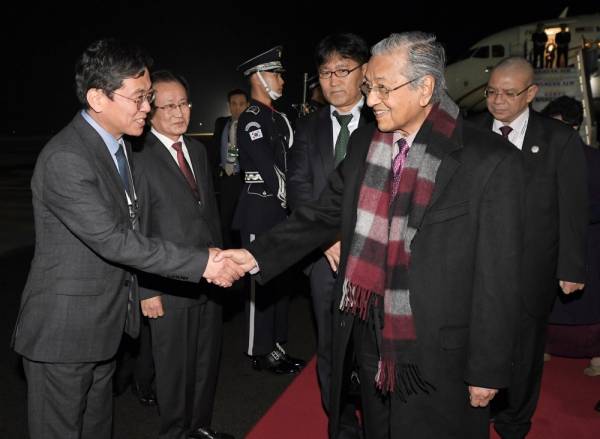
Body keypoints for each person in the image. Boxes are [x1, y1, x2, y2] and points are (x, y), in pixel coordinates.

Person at [218, 31, 525, 438]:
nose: (372, 98)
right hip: (371, 335)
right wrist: (257, 256)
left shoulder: (490, 161)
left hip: (442, 351)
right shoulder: (367, 143)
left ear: (425, 88)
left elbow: (498, 280)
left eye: (382, 87)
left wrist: (487, 369)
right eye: (369, 87)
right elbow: (322, 213)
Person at [10, 39, 243, 439]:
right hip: (64, 335)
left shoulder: (116, 149)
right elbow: (115, 240)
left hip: (104, 328)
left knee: (97, 428)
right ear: (98, 98)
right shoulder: (68, 157)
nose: (148, 108)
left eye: (148, 96)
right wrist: (204, 262)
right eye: (139, 98)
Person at [473, 57, 588, 439]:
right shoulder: (468, 133)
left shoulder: (559, 139)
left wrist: (571, 267)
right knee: (475, 342)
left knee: (523, 350)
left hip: (531, 266)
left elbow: (572, 209)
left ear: (532, 93)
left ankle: (514, 421)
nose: (498, 101)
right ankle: (476, 413)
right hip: (475, 265)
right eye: (492, 92)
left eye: (509, 93)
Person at [134, 70, 233, 439]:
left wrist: (223, 264)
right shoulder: (139, 156)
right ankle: (175, 432)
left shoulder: (196, 149)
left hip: (209, 277)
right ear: (150, 109)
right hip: (167, 283)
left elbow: (208, 216)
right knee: (174, 370)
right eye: (169, 106)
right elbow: (137, 228)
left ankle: (200, 427)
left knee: (207, 361)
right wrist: (147, 290)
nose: (180, 113)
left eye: (184, 104)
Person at [287, 33, 371, 422]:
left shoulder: (383, 118)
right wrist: (327, 240)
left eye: (343, 70)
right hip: (325, 259)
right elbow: (299, 190)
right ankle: (338, 421)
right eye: (325, 72)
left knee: (372, 346)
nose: (334, 80)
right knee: (331, 345)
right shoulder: (307, 128)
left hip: (375, 256)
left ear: (364, 72)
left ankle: (376, 418)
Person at [234, 46, 305, 374]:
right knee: (258, 282)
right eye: (275, 73)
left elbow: (293, 162)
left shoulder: (279, 117)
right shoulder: (251, 118)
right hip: (261, 208)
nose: (281, 79)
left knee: (279, 282)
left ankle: (275, 344)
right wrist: (300, 206)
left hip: (280, 211)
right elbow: (269, 169)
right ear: (259, 77)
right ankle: (258, 350)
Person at [541, 96, 600, 379]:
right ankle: (544, 346)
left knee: (590, 303)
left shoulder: (593, 159)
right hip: (551, 242)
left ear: (574, 127)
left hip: (589, 243)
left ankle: (597, 356)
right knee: (547, 299)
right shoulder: (539, 159)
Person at [214, 89, 249, 249]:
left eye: (241, 104)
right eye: (234, 104)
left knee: (243, 220)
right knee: (224, 221)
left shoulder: (251, 126)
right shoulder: (221, 123)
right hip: (226, 179)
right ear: (229, 105)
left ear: (247, 105)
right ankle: (227, 253)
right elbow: (214, 150)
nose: (237, 108)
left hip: (244, 180)